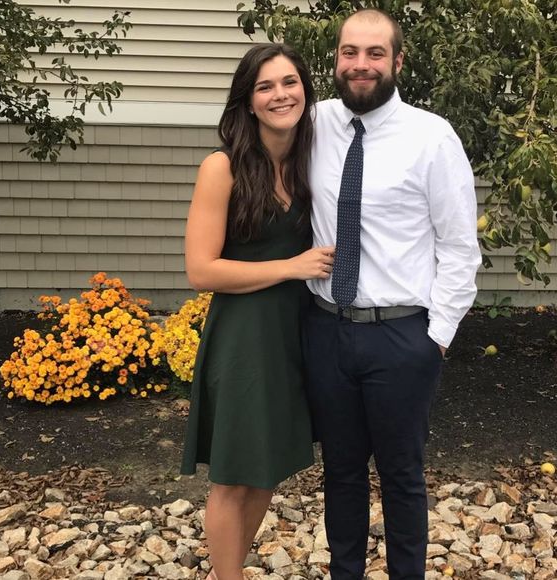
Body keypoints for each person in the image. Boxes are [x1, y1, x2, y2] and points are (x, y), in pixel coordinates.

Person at [305, 9, 481, 580]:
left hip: (402, 337)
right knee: (340, 473)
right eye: (349, 52)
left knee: (402, 475)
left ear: (397, 62)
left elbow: (459, 246)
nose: (361, 65)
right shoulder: (312, 124)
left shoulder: (432, 137)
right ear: (336, 59)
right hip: (327, 329)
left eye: (375, 53)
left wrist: (437, 337)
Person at [180, 44, 334, 580]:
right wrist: (291, 266)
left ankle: (228, 571)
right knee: (233, 475)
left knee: (268, 469)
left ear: (305, 90)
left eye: (290, 82)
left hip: (295, 334)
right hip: (244, 337)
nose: (279, 95)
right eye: (265, 86)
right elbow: (201, 270)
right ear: (247, 101)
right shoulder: (221, 167)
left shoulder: (310, 164)